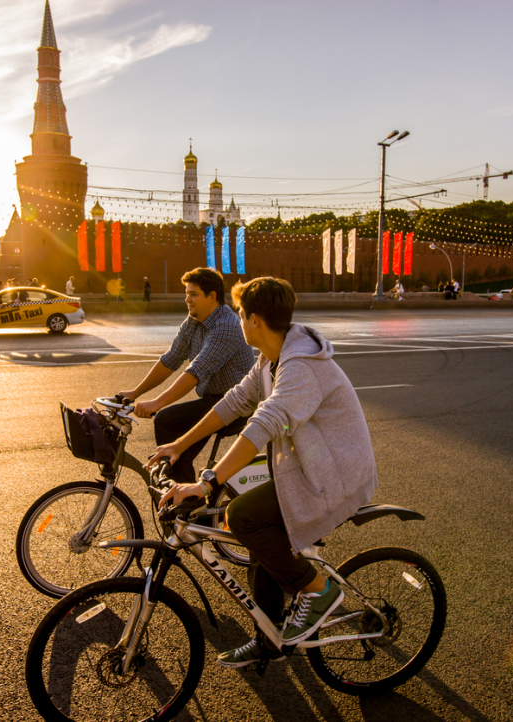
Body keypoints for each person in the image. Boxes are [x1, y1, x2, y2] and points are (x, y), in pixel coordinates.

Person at [149, 276, 378, 669]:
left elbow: (262, 424)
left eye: (240, 314)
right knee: (258, 537)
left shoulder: (301, 367)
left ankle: (317, 589)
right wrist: (180, 444)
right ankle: (269, 636)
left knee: (242, 516)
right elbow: (235, 402)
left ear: (254, 320)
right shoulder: (270, 357)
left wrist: (208, 482)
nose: (238, 320)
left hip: (333, 474)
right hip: (305, 468)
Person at [117, 267, 254, 486]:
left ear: (212, 296)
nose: (187, 299)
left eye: (193, 294)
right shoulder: (194, 320)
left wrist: (156, 403)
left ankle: (182, 499)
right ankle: (183, 494)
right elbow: (170, 359)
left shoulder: (226, 326)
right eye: (186, 293)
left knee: (167, 420)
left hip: (235, 404)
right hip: (213, 399)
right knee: (178, 454)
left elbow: (195, 373)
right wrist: (135, 393)